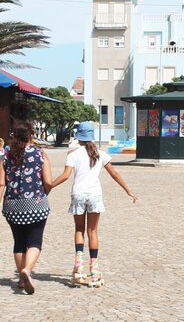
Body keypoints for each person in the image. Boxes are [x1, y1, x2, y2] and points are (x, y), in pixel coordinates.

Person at [49, 121, 138, 288]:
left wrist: (49, 186)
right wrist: (128, 190)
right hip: (95, 195)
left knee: (79, 230)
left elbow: (65, 176)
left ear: (79, 137)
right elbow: (114, 174)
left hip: (78, 194)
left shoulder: (73, 154)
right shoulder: (100, 154)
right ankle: (95, 271)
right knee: (93, 232)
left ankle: (78, 268)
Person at [0, 122, 52, 295]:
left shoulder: (6, 156)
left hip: (12, 205)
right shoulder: (40, 154)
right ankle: (27, 270)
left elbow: (1, 183)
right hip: (36, 204)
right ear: (31, 135)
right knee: (35, 241)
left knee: (19, 242)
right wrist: (44, 194)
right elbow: (48, 181)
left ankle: (22, 281)